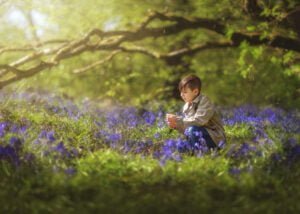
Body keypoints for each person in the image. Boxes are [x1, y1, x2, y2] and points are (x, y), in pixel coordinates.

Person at [166, 74, 226, 151]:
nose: (181, 95)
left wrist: (178, 120)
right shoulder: (186, 106)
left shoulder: (205, 101)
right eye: (181, 92)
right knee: (179, 146)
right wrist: (176, 125)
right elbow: (187, 127)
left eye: (185, 92)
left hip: (215, 138)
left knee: (192, 130)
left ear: (195, 91)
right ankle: (195, 153)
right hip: (198, 137)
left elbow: (199, 121)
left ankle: (200, 153)